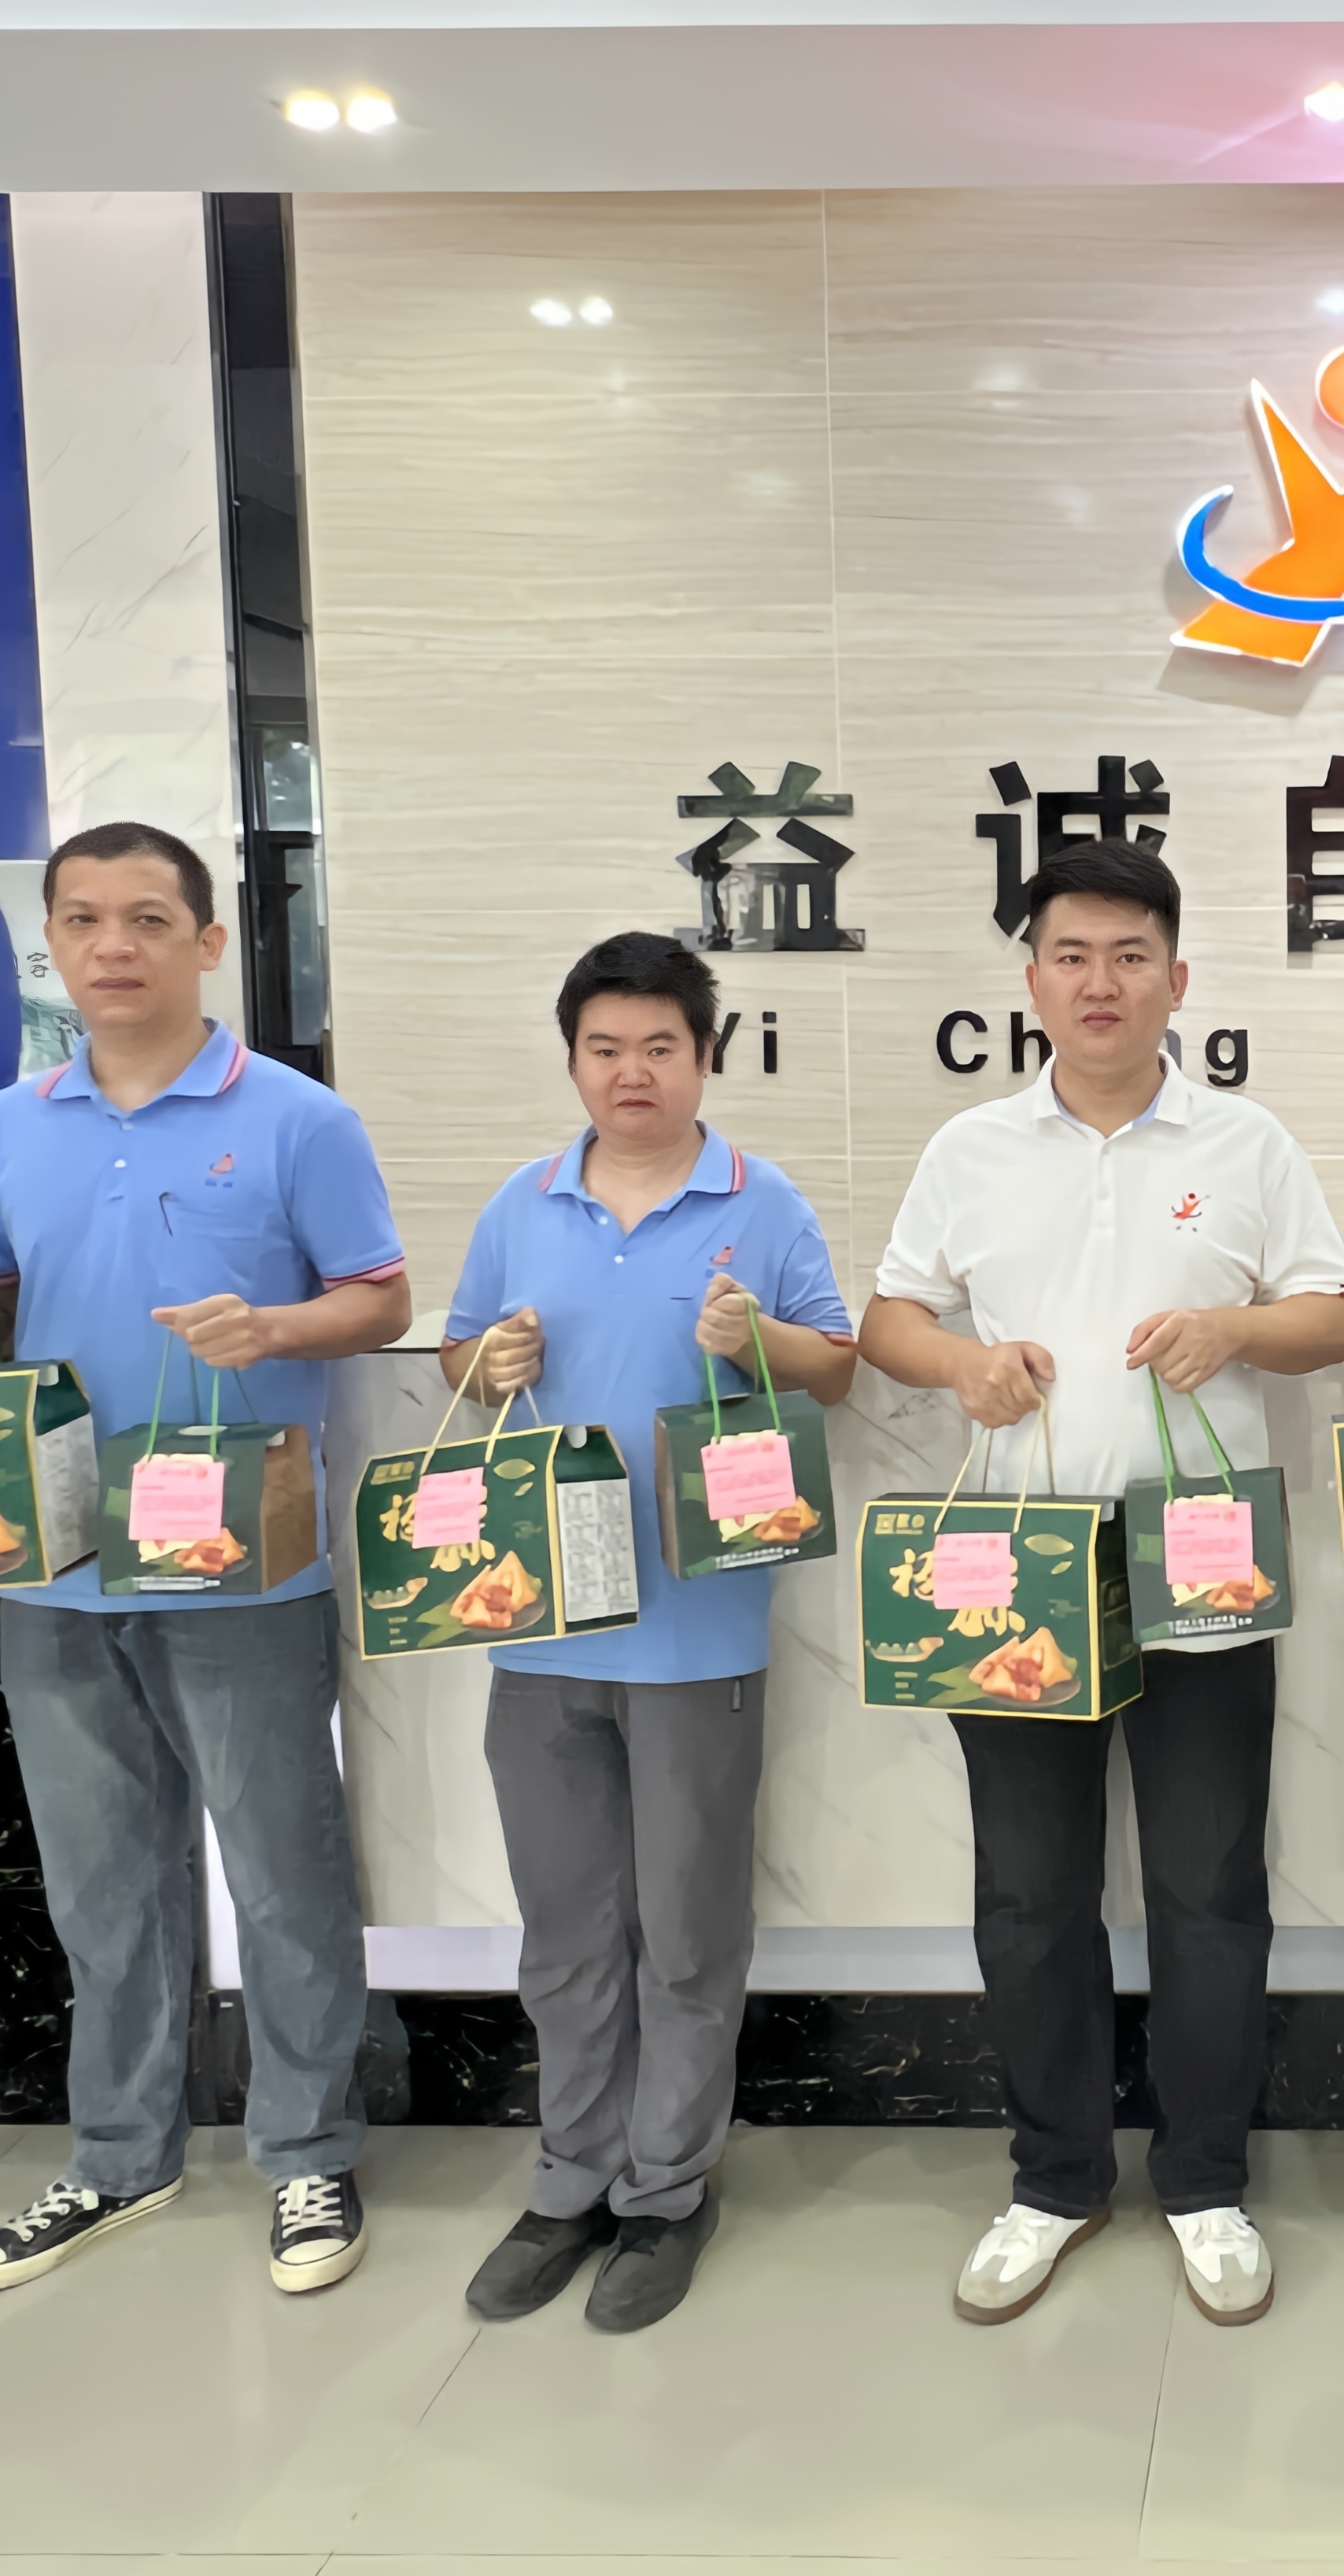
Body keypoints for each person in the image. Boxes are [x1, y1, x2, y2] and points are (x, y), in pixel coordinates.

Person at [0, 822, 413, 2299]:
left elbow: (378, 1297)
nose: (114, 946)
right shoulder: (3, 1127)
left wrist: (274, 1327)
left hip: (241, 1551)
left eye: (149, 919)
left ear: (207, 942)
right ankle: (119, 2155)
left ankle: (308, 2151)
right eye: (84, 920)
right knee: (100, 1878)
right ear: (53, 944)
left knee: (281, 1866)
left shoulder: (297, 1118)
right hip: (53, 1555)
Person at [861, 839, 1344, 2329]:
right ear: (1032, 983)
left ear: (1177, 980)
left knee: (1209, 1888)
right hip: (1021, 1565)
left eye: (1131, 956)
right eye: (1072, 956)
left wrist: (1236, 1333)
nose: (1101, 982)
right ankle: (1054, 2177)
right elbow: (890, 1318)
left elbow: (1332, 1318)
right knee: (1029, 1895)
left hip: (1201, 1561)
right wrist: (963, 1363)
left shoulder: (1246, 1143)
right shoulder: (971, 1149)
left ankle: (1205, 2180)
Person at [434, 933, 855, 2333]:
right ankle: (570, 2178)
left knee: (686, 1931)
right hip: (539, 1622)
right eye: (605, 1048)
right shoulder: (523, 1203)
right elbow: (459, 1358)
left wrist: (756, 1342)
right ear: (573, 1061)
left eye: (660, 1047)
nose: (633, 1072)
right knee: (564, 1932)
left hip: (700, 1634)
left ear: (705, 1057)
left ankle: (667, 2190)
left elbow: (837, 1368)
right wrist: (485, 1360)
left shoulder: (763, 1201)